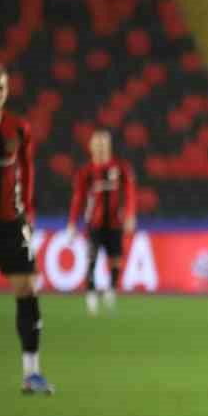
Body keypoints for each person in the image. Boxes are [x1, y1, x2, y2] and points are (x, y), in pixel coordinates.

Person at [0, 63, 52, 395]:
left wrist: (30, 214)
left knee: (27, 290)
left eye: (0, 89)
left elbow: (27, 170)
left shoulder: (19, 129)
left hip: (9, 225)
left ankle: (32, 373)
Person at [69, 129, 136, 315]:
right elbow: (78, 198)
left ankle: (111, 290)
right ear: (90, 147)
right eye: (96, 145)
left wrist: (130, 215)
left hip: (115, 223)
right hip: (94, 224)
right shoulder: (86, 172)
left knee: (116, 261)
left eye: (103, 144)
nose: (99, 148)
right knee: (92, 259)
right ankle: (90, 294)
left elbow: (130, 193)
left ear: (109, 146)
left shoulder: (121, 168)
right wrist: (72, 222)